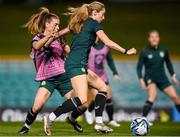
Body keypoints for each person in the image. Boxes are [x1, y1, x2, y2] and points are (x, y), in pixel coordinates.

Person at [45, 1, 136, 134]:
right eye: (102, 14)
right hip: (76, 64)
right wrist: (126, 51)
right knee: (82, 99)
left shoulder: (78, 23)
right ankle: (50, 118)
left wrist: (46, 43)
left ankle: (98, 123)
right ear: (94, 13)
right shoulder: (94, 23)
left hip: (77, 64)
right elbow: (107, 42)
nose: (103, 18)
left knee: (103, 88)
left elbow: (58, 34)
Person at [18, 7, 84, 135]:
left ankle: (72, 119)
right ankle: (26, 127)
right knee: (37, 106)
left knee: (82, 103)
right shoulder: (37, 38)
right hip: (48, 78)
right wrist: (51, 36)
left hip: (63, 76)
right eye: (55, 24)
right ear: (47, 24)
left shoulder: (59, 38)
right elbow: (38, 47)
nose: (57, 27)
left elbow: (68, 52)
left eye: (59, 25)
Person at [137, 30, 180, 123]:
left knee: (175, 97)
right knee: (152, 95)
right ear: (149, 39)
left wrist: (173, 75)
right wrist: (141, 80)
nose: (154, 39)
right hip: (150, 78)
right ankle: (143, 119)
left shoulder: (163, 51)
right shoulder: (144, 52)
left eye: (156, 37)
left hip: (162, 78)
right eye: (152, 37)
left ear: (159, 38)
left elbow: (168, 64)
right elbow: (139, 68)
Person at [85, 41, 120, 127]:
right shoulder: (88, 47)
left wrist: (115, 72)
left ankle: (111, 119)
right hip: (92, 77)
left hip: (103, 76)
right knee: (97, 96)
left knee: (108, 96)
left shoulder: (105, 47)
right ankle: (89, 112)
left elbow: (110, 60)